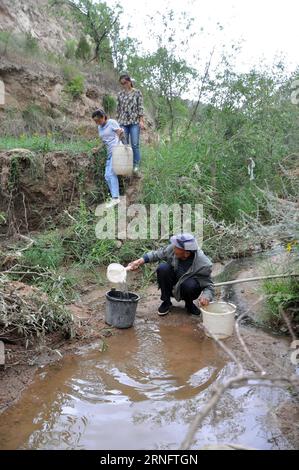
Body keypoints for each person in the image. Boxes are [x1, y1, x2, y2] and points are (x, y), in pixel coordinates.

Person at [127, 233, 214, 316]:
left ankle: (189, 304)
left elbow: (209, 286)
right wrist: (139, 261)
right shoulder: (173, 249)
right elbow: (157, 254)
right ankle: (166, 302)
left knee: (190, 285)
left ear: (186, 253)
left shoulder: (204, 264)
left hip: (187, 287)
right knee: (163, 268)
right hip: (173, 282)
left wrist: (206, 296)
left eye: (177, 247)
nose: (174, 248)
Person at [92, 109, 124, 208]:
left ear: (103, 117)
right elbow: (104, 141)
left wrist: (118, 141)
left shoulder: (111, 122)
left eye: (98, 120)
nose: (97, 123)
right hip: (110, 153)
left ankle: (115, 198)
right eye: (95, 121)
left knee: (111, 174)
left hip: (117, 150)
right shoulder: (99, 127)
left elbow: (120, 132)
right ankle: (115, 197)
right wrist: (97, 149)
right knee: (107, 176)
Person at [117, 74, 145, 175]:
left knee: (135, 144)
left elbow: (140, 107)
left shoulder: (137, 92)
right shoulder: (120, 94)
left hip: (134, 122)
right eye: (121, 83)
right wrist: (117, 125)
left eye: (125, 83)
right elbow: (118, 109)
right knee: (124, 144)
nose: (123, 85)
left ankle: (136, 165)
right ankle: (126, 164)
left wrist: (141, 120)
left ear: (129, 82)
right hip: (123, 122)